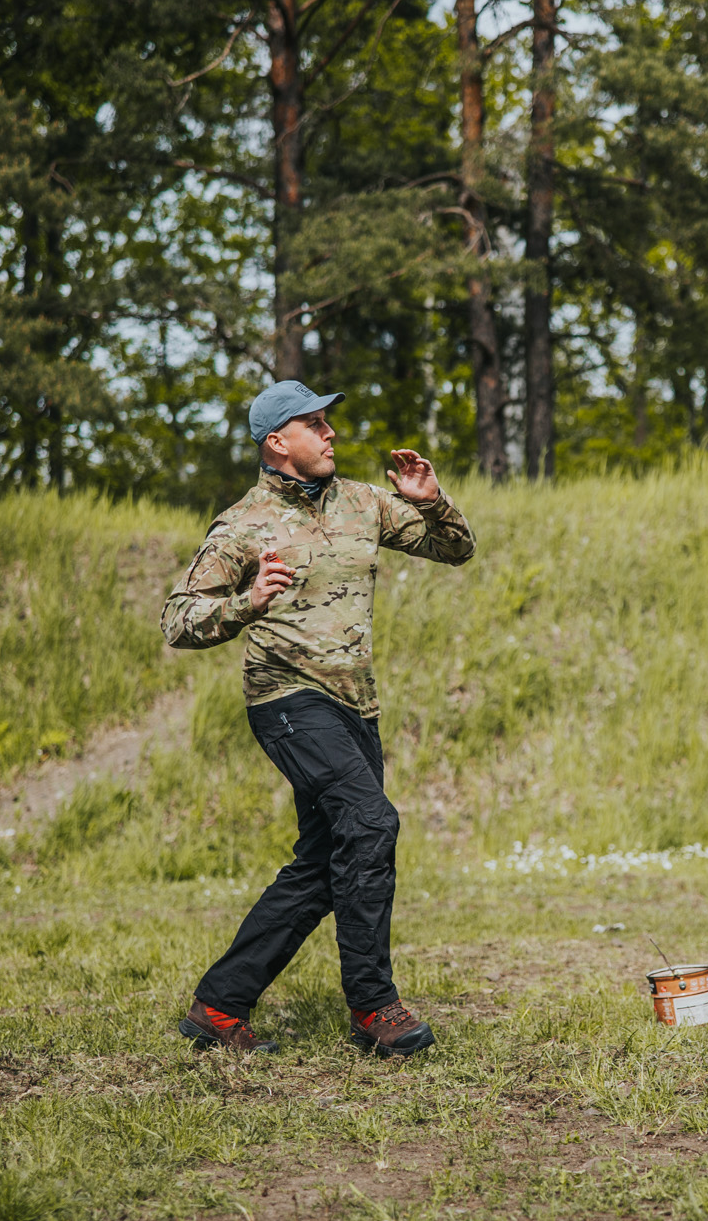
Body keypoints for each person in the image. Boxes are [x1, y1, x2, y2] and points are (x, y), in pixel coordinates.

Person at [161, 379, 475, 1057]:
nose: (331, 433)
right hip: (286, 700)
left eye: (329, 422)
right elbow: (178, 620)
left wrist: (431, 500)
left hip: (356, 705)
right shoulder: (243, 524)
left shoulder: (364, 502)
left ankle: (218, 1007)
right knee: (371, 822)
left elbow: (456, 549)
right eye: (316, 424)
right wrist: (245, 602)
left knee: (325, 862)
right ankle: (374, 1007)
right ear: (278, 442)